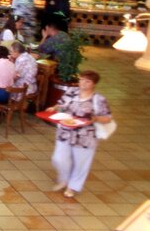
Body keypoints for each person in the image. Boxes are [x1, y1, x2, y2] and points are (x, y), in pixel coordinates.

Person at [46, 70, 111, 198]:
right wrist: (54, 108)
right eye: (82, 80)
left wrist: (96, 119)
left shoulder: (98, 99)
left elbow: (107, 117)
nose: (83, 83)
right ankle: (64, 178)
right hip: (65, 131)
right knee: (59, 158)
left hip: (85, 136)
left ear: (93, 84)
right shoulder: (72, 92)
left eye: (87, 81)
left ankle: (72, 186)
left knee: (81, 162)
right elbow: (61, 103)